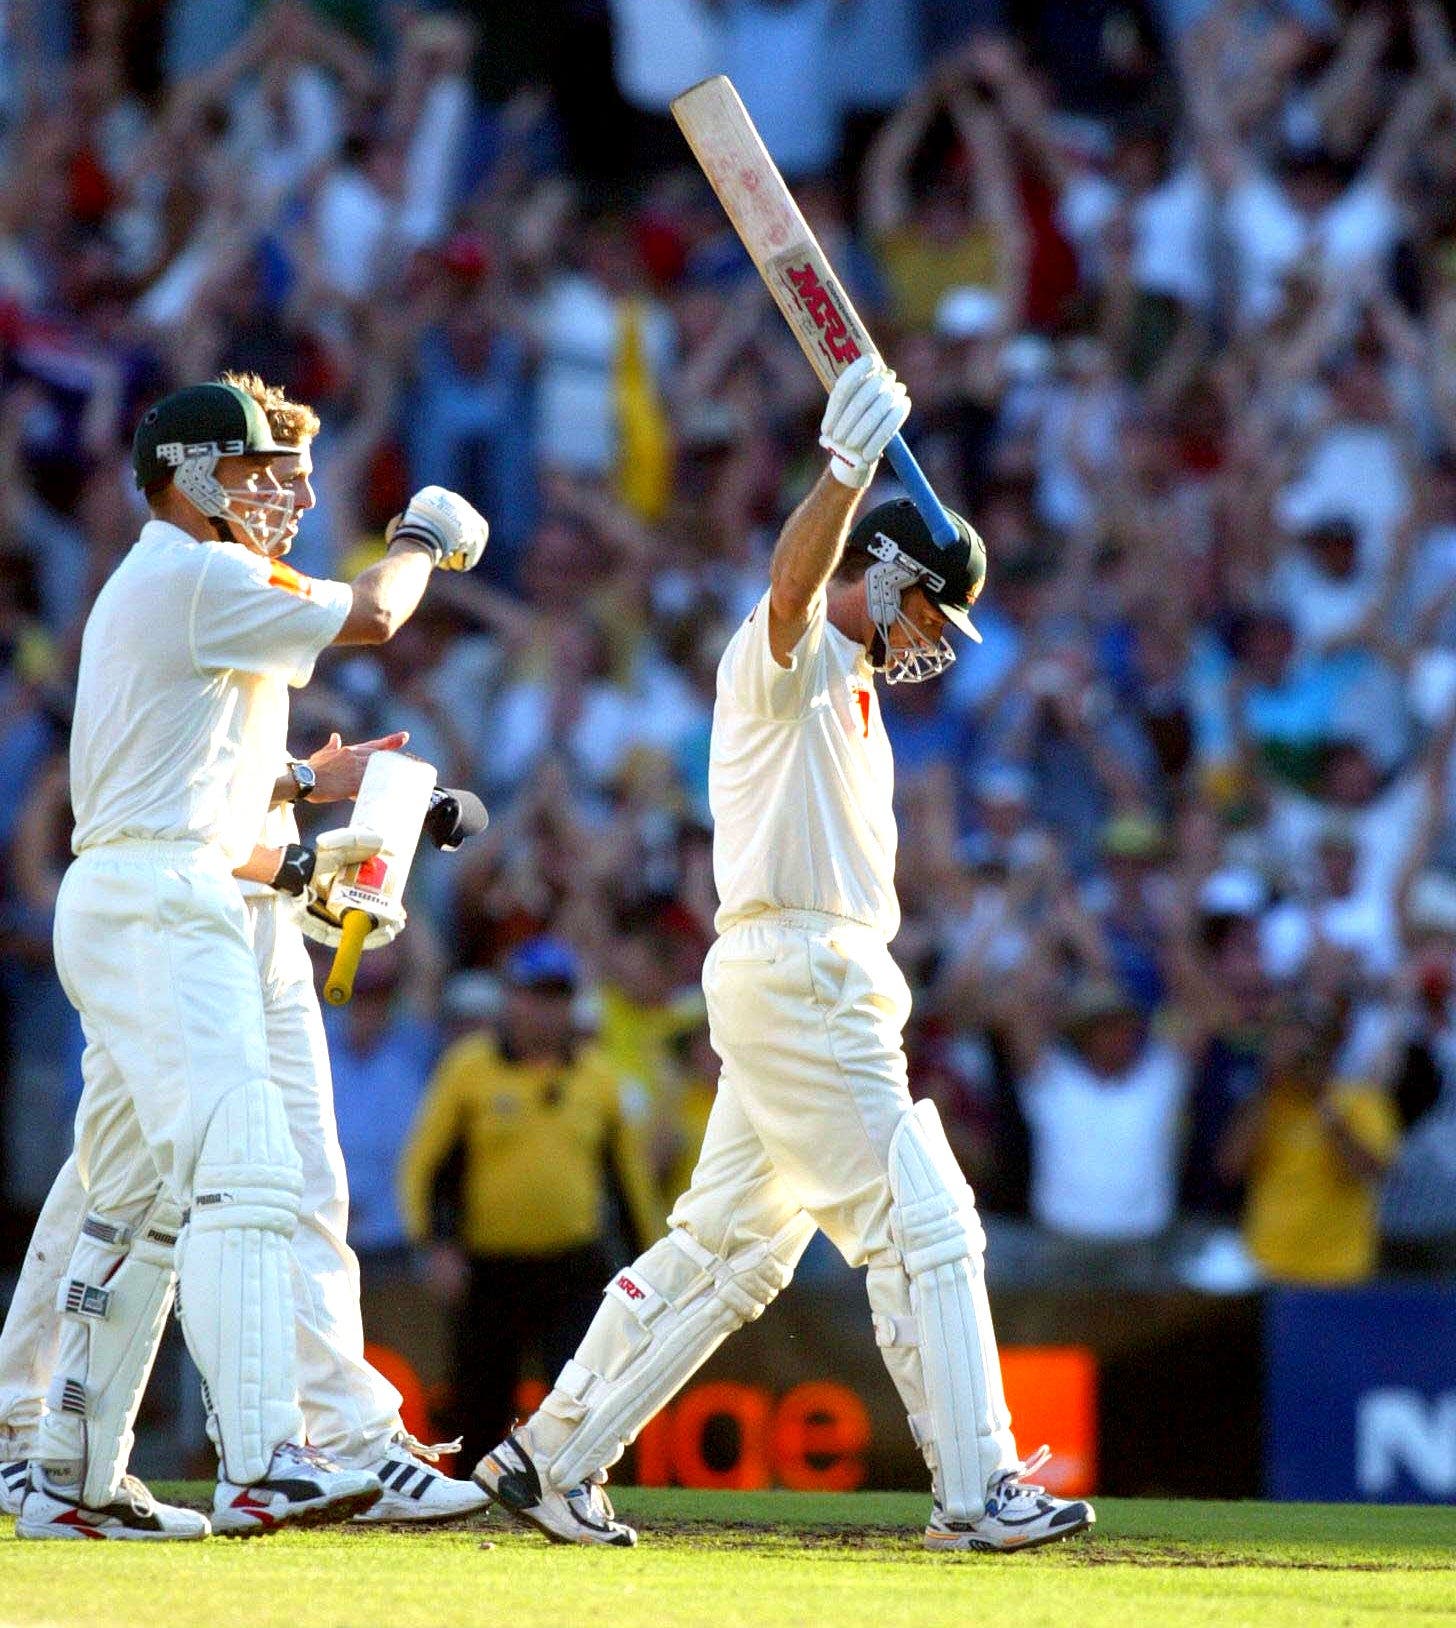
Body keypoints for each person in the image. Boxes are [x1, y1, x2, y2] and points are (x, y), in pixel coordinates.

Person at [474, 355, 1096, 1552]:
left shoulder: (854, 684)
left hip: (804, 971)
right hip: (803, 968)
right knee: (925, 1224)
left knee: (729, 1252)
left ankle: (549, 1455)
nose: (935, 641)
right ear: (888, 569)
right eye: (928, 609)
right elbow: (787, 587)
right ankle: (977, 1491)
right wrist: (845, 468)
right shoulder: (789, 657)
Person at [1, 375, 490, 1531]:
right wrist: (418, 539)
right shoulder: (198, 569)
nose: (286, 492)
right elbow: (375, 614)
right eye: (264, 470)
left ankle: (66, 1476)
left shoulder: (192, 581)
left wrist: (302, 796)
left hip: (186, 892)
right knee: (246, 1171)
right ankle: (263, 1453)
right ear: (193, 473)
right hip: (161, 902)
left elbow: (173, 768)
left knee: (127, 1197)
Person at [398, 936, 659, 1472]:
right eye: (534, 995)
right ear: (509, 999)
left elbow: (628, 1185)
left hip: (573, 1267)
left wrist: (648, 1267)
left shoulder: (598, 1079)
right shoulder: (470, 1069)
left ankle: (583, 1490)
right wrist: (435, 1246)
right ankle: (471, 1499)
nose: (544, 1010)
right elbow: (425, 1169)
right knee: (480, 1403)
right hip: (490, 1270)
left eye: (556, 997)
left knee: (585, 1392)